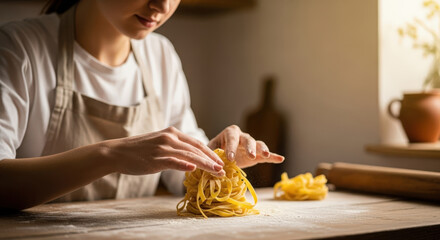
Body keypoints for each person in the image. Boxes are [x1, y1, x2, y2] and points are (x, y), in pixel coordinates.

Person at [0, 0, 284, 211]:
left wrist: (215, 158)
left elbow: (179, 175)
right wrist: (111, 155)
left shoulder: (161, 55)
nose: (161, 5)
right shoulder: (18, 49)